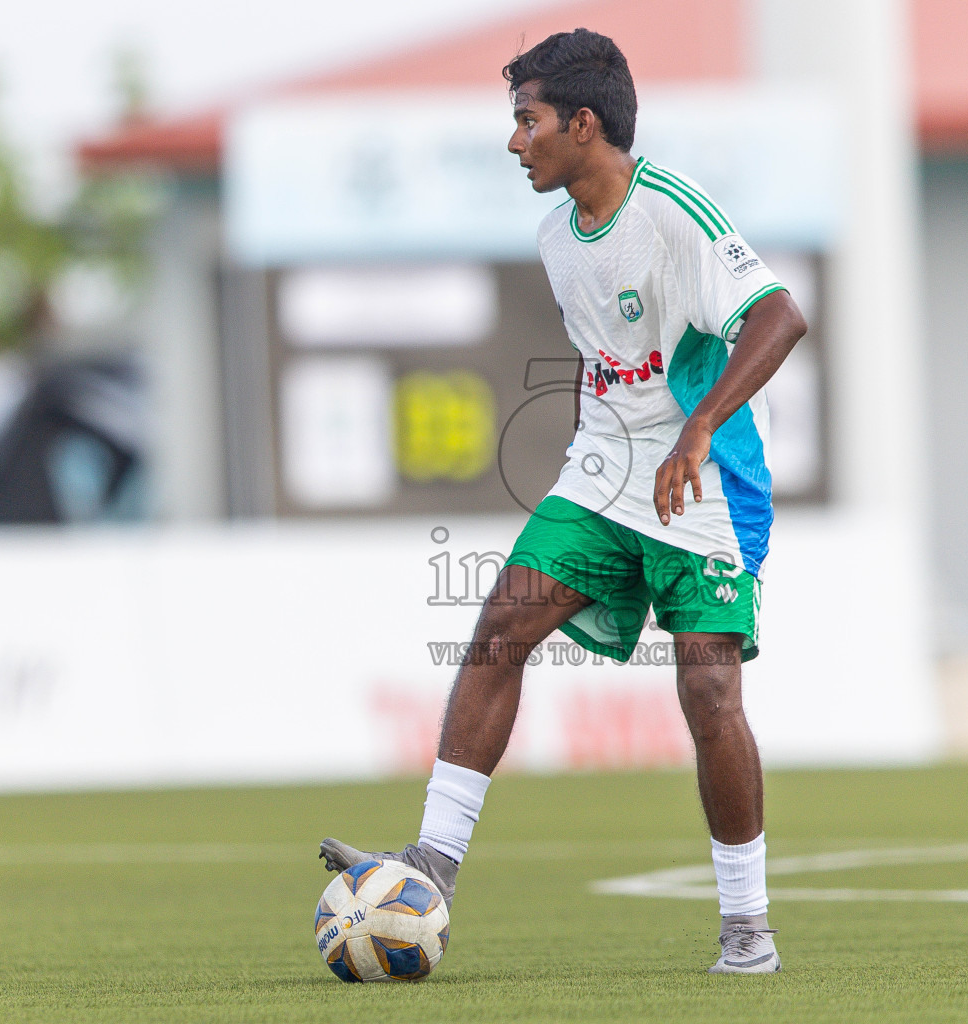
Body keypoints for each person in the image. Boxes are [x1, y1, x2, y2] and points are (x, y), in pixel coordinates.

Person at [321, 28, 805, 975]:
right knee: (503, 623)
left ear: (584, 125)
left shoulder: (672, 211)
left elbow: (780, 316)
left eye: (527, 120)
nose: (515, 141)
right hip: (604, 475)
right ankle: (433, 861)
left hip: (706, 481)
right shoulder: (556, 235)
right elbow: (607, 364)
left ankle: (748, 929)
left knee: (707, 688)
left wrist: (699, 427)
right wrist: (600, 451)